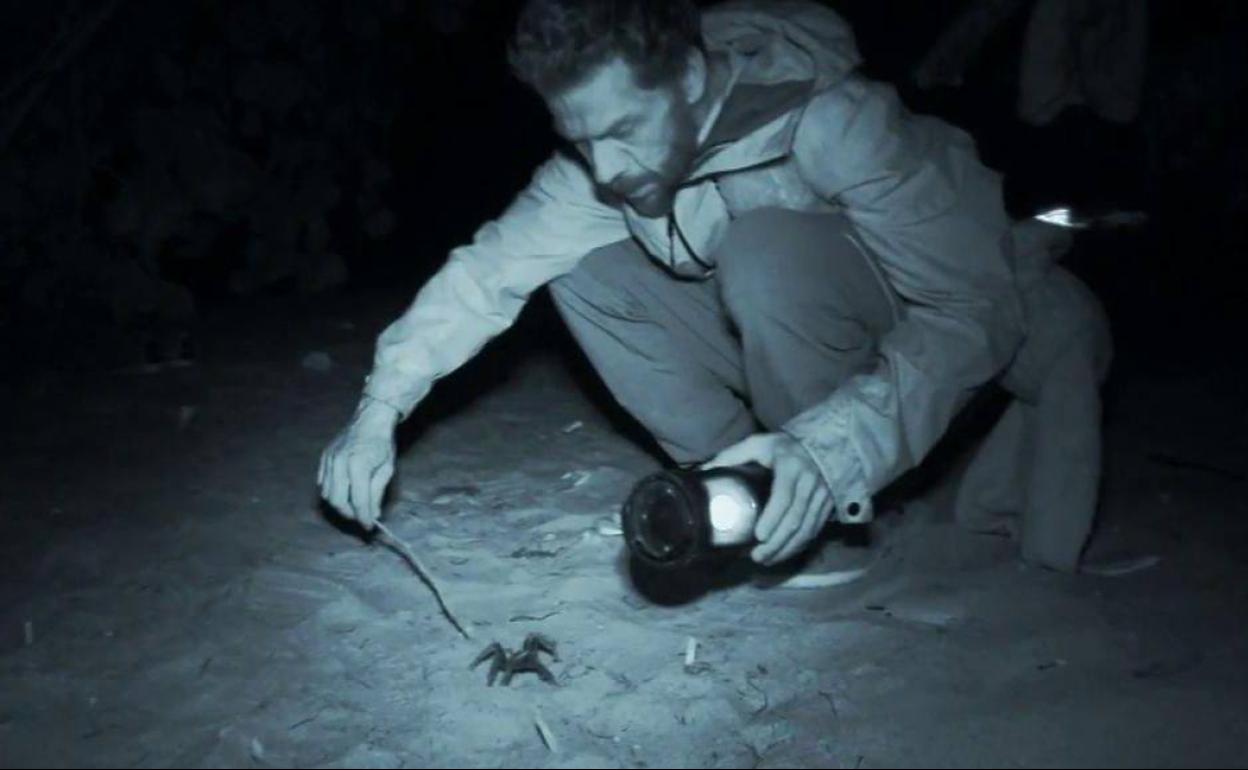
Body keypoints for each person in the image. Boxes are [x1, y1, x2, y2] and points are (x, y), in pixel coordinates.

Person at [318, 0, 1112, 573]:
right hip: (790, 347)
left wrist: (830, 451)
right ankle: (749, 495)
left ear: (691, 78)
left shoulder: (837, 122)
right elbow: (489, 271)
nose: (606, 170)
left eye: (622, 131)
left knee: (765, 249)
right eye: (581, 141)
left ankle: (823, 506)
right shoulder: (605, 165)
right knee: (581, 271)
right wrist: (378, 410)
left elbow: (975, 309)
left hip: (929, 342)